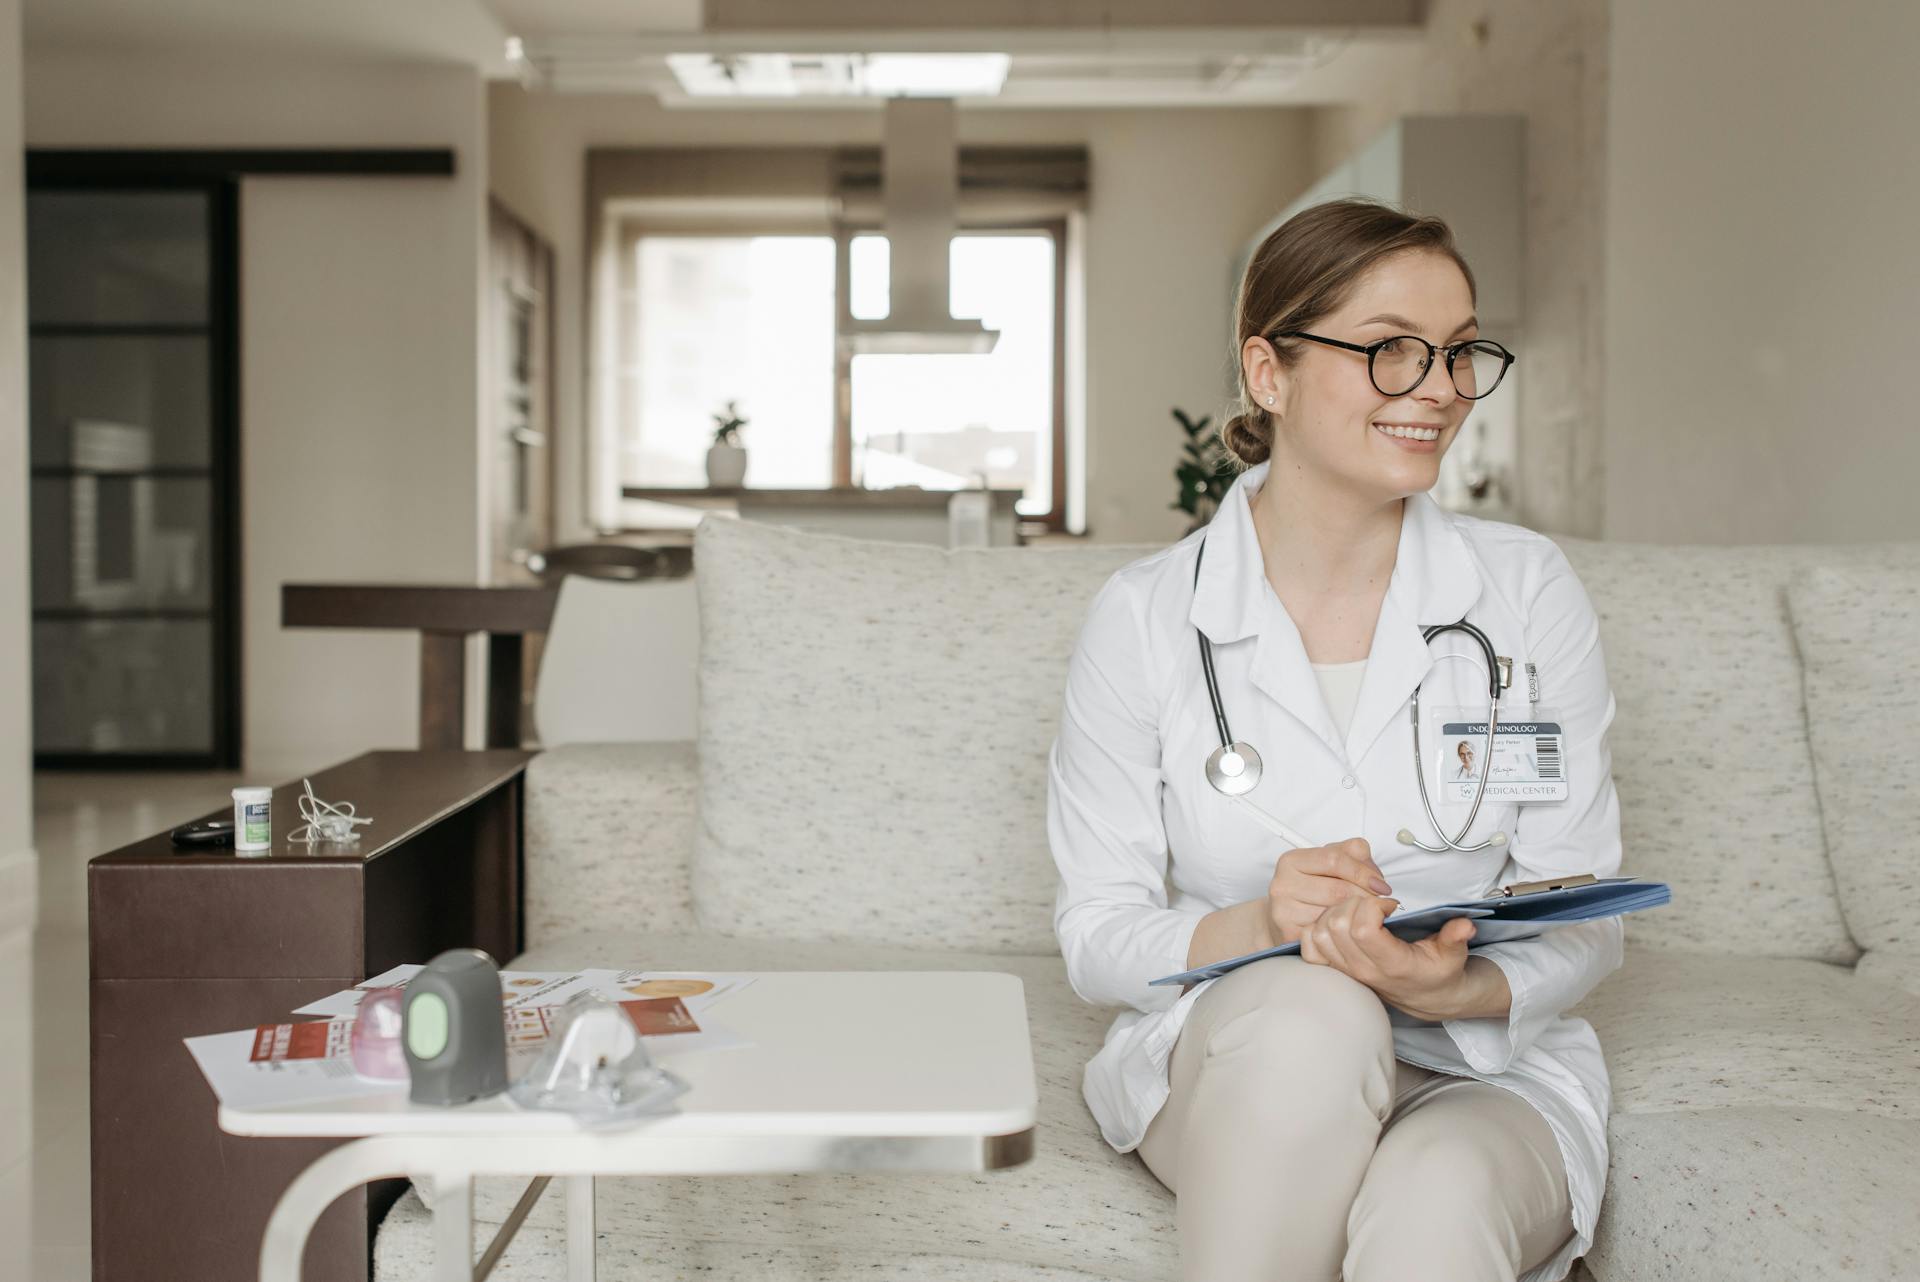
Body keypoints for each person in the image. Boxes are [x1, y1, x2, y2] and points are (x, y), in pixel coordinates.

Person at [1046, 197, 1624, 1282]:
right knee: (1315, 1015)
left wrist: (1453, 991)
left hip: (1478, 1065)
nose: (1442, 390)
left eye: (1459, 353)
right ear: (1269, 372)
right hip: (1253, 1053)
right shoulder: (1145, 617)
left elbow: (1584, 908)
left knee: (1439, 1212)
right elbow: (1096, 934)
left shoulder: (1526, 590)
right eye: (1393, 352)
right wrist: (1261, 920)